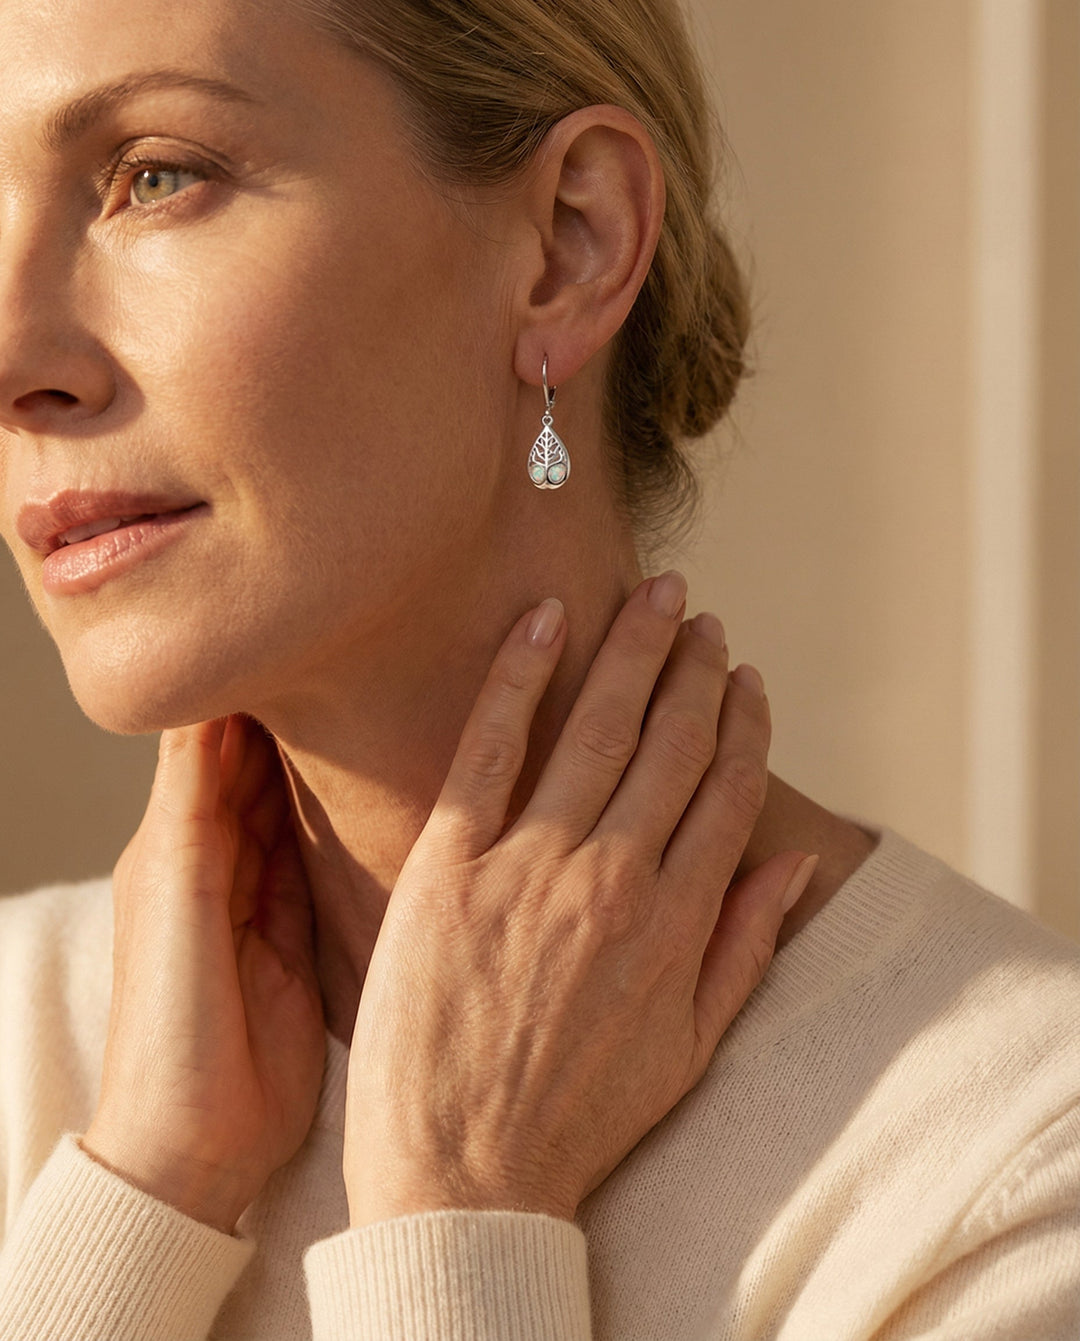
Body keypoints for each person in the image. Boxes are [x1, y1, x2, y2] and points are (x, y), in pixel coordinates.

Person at [0, 0, 1077, 1336]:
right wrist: (144, 1200)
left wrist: (456, 1212)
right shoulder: (24, 1041)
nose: (12, 357)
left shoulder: (1009, 1172)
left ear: (572, 241)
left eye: (154, 175)